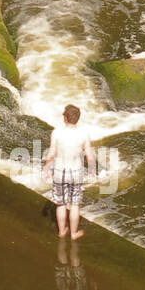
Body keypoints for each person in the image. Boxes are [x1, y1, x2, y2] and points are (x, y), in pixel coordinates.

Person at [42, 103, 96, 240]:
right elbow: (89, 155)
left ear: (65, 118)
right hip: (76, 171)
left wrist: (46, 169)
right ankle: (73, 233)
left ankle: (61, 231)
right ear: (77, 118)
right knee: (75, 204)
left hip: (60, 170)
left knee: (60, 203)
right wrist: (91, 171)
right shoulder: (83, 134)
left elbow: (52, 153)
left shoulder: (57, 133)